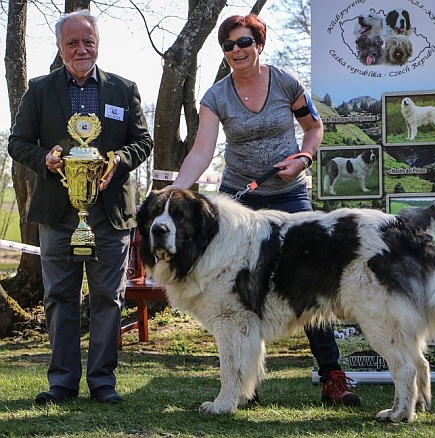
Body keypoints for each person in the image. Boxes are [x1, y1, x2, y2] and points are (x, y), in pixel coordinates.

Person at [169, 14, 360, 407]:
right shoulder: (215, 96)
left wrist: (304, 158)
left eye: (243, 42)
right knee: (234, 299)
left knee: (310, 285)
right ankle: (243, 387)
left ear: (259, 43)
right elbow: (203, 151)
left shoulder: (286, 82)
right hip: (240, 200)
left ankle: (333, 377)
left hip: (290, 195)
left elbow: (314, 127)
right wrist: (178, 188)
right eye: (228, 46)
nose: (236, 51)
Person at [8, 9, 153, 405]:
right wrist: (45, 159)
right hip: (58, 211)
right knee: (59, 298)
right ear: (59, 46)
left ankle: (103, 381)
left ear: (98, 43)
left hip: (109, 213)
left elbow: (143, 141)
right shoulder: (38, 90)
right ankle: (62, 382)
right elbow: (16, 142)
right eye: (72, 42)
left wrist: (119, 158)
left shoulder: (124, 89)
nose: (81, 48)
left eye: (87, 41)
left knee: (109, 297)